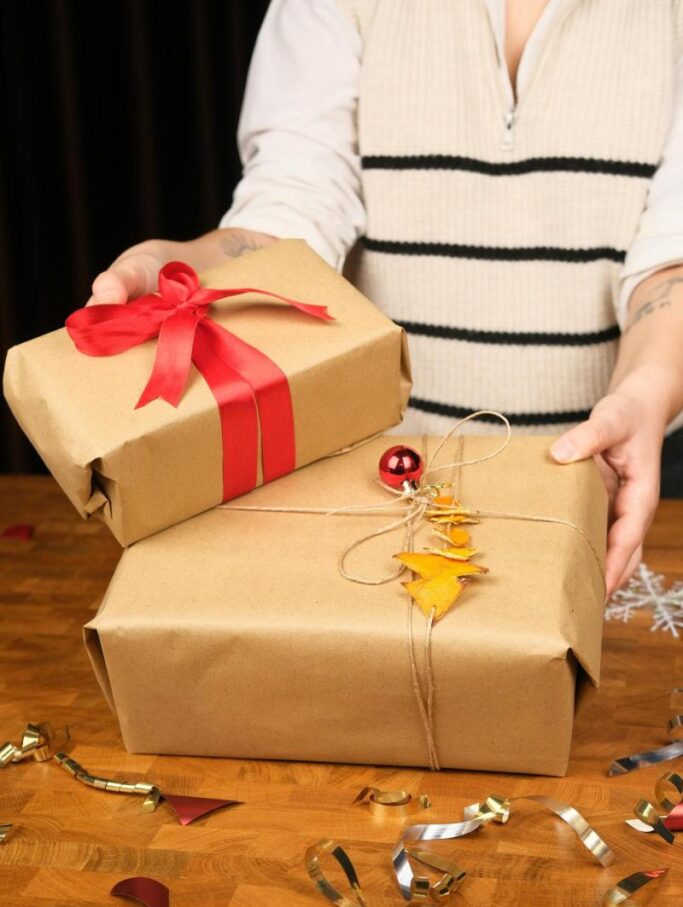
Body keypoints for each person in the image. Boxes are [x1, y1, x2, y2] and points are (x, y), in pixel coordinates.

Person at [87, 0, 683, 597]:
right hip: (380, 492)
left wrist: (645, 396)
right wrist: (196, 268)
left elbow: (672, 260)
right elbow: (295, 203)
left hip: (622, 489)